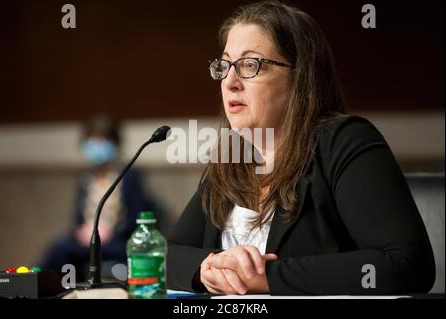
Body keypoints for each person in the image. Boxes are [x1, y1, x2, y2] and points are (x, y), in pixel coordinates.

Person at [167, 1, 435, 295]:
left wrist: (266, 278)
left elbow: (406, 264)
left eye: (249, 65)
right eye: (225, 65)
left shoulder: (344, 142)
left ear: (300, 76)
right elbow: (166, 256)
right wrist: (208, 269)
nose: (230, 82)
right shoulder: (231, 158)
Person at [40, 115, 159, 281]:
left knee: (62, 249)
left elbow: (137, 217)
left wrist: (111, 232)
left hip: (118, 242)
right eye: (93, 140)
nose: (97, 146)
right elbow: (76, 220)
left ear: (114, 143)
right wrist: (81, 231)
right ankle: (35, 283)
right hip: (88, 242)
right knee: (59, 248)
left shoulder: (129, 175)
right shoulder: (85, 179)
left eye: (102, 140)